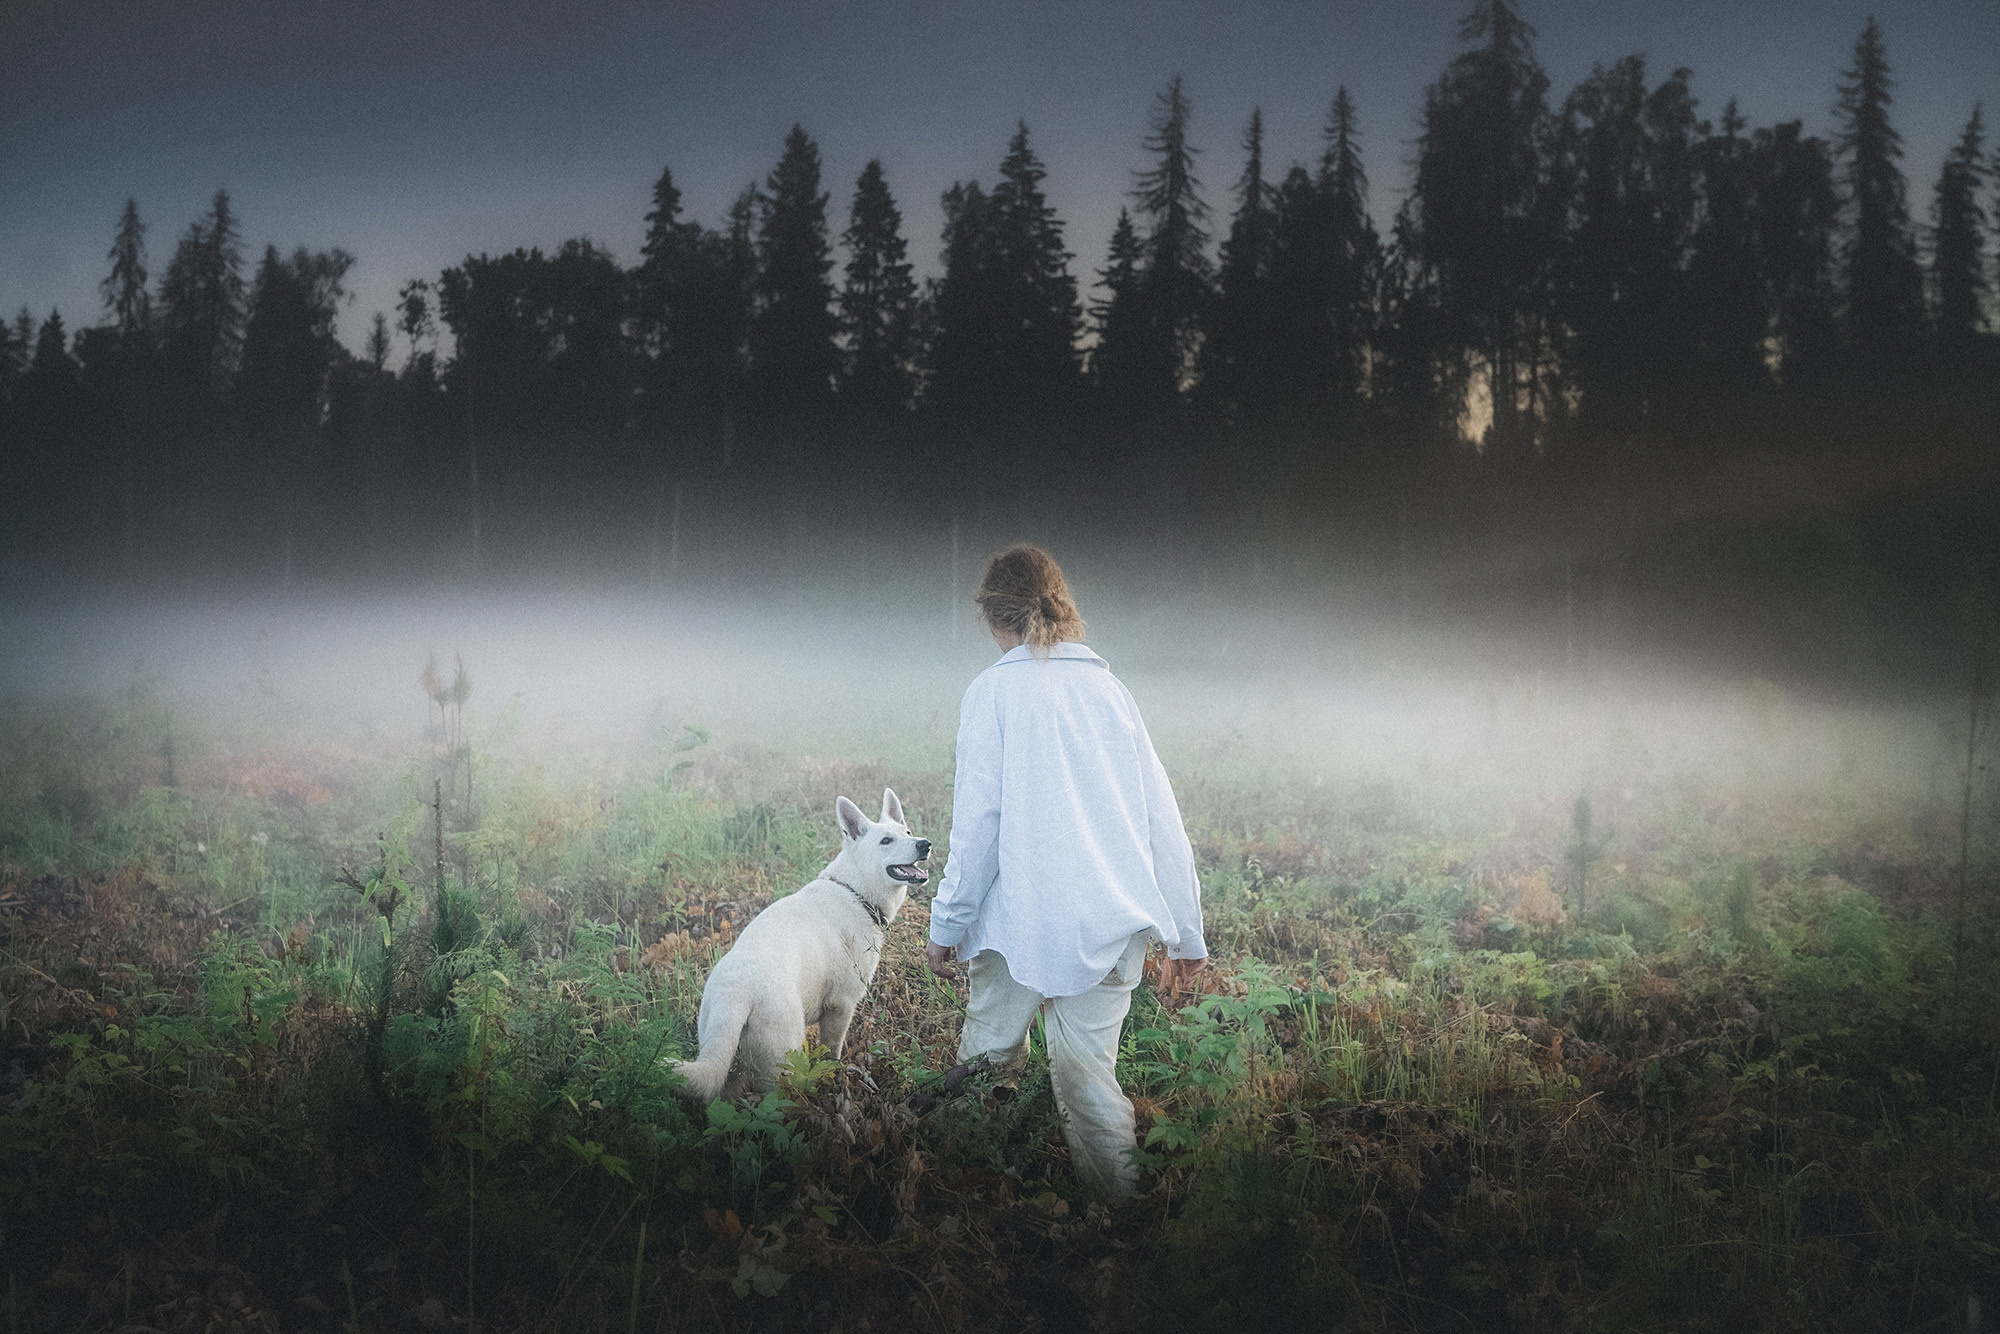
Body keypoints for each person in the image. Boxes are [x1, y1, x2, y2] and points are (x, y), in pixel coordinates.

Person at [924, 544, 1208, 1198]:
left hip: (1014, 924)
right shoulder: (1110, 692)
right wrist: (1185, 936)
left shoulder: (991, 692)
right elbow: (1161, 819)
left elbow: (978, 827)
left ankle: (965, 1203)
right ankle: (1120, 1232)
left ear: (996, 620)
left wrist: (947, 924)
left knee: (986, 1063)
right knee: (1089, 1085)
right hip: (1108, 922)